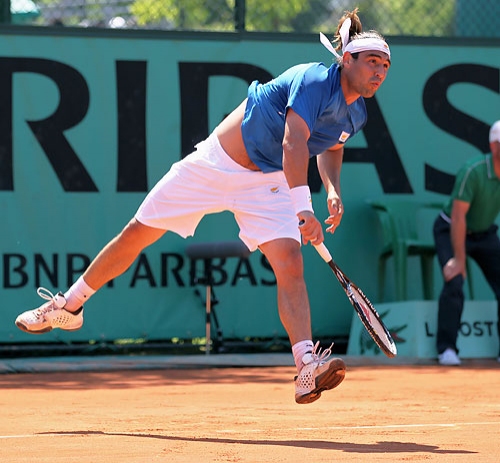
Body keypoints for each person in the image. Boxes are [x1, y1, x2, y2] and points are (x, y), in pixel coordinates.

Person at [15, 9, 391, 403]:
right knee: (136, 234)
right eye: (372, 62)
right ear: (346, 59)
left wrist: (332, 189)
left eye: (384, 65)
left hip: (267, 181)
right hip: (217, 163)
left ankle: (306, 367)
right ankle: (69, 305)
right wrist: (303, 207)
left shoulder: (357, 112)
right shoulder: (314, 79)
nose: (379, 72)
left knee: (290, 262)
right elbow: (293, 142)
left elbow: (331, 145)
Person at [433, 121, 500, 366]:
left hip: (485, 233)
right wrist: (459, 260)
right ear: (494, 146)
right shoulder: (473, 171)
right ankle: (447, 349)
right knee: (455, 280)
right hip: (450, 228)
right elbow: (458, 217)